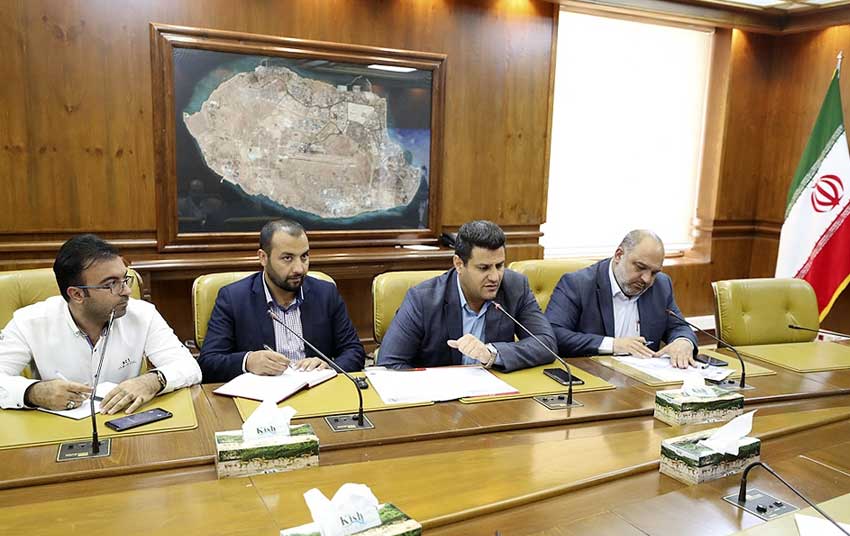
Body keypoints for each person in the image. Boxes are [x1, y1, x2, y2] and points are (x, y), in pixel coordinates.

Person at [0, 235, 202, 413]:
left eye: (124, 279)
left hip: (124, 423)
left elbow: (189, 367)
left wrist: (152, 381)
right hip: (55, 431)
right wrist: (34, 393)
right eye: (111, 284)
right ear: (77, 294)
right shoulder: (29, 322)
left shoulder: (142, 314)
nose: (126, 291)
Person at [198, 219, 365, 382]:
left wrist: (328, 368)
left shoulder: (325, 293)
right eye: (287, 258)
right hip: (262, 395)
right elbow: (208, 363)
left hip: (316, 392)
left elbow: (354, 351)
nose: (299, 268)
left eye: (304, 256)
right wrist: (248, 361)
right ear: (263, 258)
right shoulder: (233, 298)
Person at [377, 220, 556, 371]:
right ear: (459, 264)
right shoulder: (422, 300)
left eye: (500, 266)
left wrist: (492, 354)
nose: (495, 277)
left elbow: (546, 343)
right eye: (484, 268)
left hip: (494, 394)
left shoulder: (515, 287)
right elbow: (388, 365)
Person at [545, 229, 697, 368]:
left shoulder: (661, 285)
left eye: (654, 272)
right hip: (594, 376)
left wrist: (683, 341)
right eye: (640, 267)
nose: (646, 279)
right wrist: (614, 345)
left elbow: (678, 327)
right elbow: (554, 334)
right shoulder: (577, 284)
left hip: (645, 380)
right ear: (619, 255)